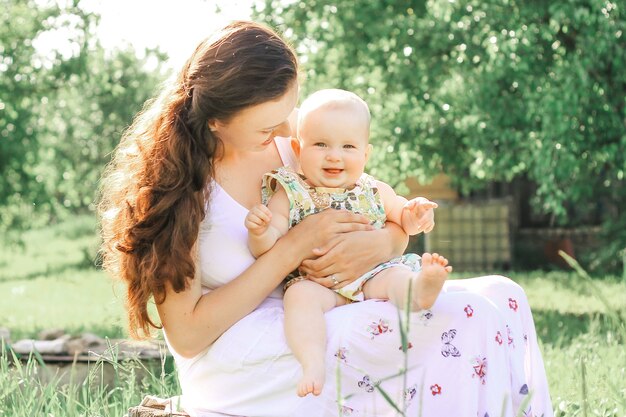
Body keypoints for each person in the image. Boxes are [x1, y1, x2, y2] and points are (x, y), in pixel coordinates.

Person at [98, 20, 553, 417]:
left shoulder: (291, 144)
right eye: (267, 126)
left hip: (326, 307)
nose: (284, 133)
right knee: (463, 315)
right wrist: (292, 249)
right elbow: (189, 337)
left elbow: (369, 199)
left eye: (286, 116)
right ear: (215, 120)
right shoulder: (179, 193)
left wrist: (387, 243)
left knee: (504, 294)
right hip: (244, 358)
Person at [245, 88, 452, 397]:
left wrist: (417, 213)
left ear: (365, 154)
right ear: (298, 148)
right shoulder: (290, 190)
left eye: (348, 146)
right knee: (298, 300)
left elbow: (403, 219)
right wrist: (260, 231)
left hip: (371, 275)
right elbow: (267, 244)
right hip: (317, 283)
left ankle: (418, 291)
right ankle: (312, 361)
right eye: (320, 144)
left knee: (395, 277)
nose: (334, 155)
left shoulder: (374, 189)